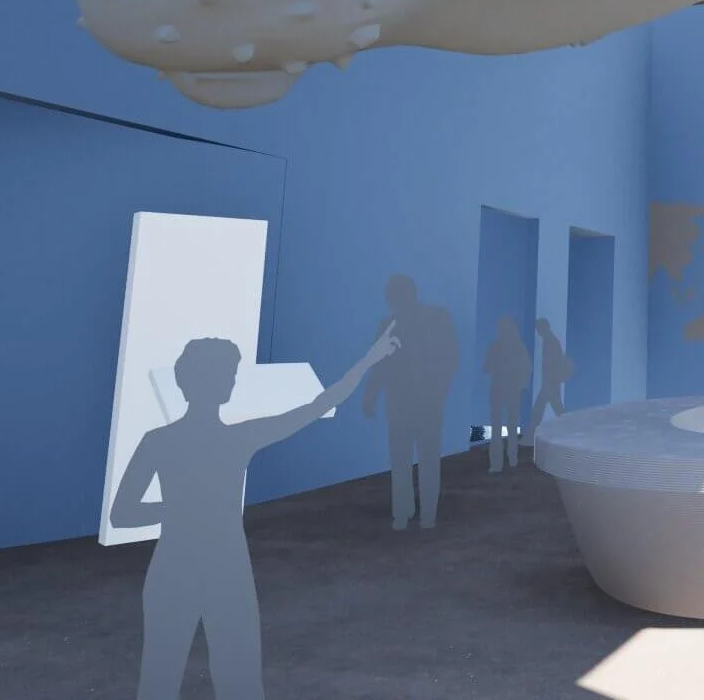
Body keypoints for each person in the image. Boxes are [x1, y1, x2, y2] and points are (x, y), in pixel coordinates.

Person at [111, 330, 398, 700]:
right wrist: (369, 361)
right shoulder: (229, 439)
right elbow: (318, 405)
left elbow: (124, 513)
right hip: (210, 570)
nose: (230, 382)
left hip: (192, 568)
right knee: (216, 679)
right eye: (226, 375)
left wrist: (175, 511)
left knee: (182, 678)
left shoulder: (166, 440)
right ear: (205, 382)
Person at [361, 275, 458, 530]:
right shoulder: (436, 318)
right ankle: (422, 516)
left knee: (406, 461)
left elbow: (379, 366)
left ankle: (409, 515)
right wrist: (440, 393)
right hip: (419, 405)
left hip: (408, 405)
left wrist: (370, 397)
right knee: (422, 461)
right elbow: (450, 359)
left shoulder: (392, 324)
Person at [484, 316, 532, 472]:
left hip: (500, 390)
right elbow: (526, 368)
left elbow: (487, 368)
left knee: (499, 427)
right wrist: (521, 385)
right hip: (510, 390)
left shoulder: (496, 347)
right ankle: (511, 459)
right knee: (510, 426)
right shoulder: (518, 347)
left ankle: (498, 463)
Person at [522, 317, 576, 453]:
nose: (538, 331)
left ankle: (530, 438)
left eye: (539, 328)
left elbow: (551, 365)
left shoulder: (551, 342)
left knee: (538, 410)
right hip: (551, 382)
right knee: (557, 410)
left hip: (550, 382)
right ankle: (572, 430)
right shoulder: (550, 341)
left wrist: (549, 380)